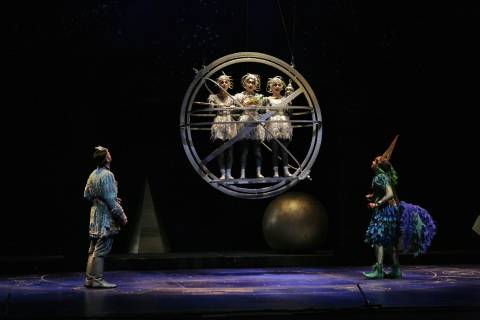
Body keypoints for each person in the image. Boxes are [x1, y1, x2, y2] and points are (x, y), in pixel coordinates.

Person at [364, 135, 436, 279]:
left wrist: (377, 203)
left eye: (374, 161)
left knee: (378, 238)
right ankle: (396, 269)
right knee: (390, 241)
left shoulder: (378, 177)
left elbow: (389, 194)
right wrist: (374, 196)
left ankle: (378, 270)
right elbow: (387, 192)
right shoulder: (385, 177)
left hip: (384, 211)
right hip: (392, 211)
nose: (371, 162)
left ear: (378, 165)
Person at [84, 146, 128, 288]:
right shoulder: (108, 175)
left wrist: (99, 199)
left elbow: (87, 195)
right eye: (108, 153)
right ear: (106, 158)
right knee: (101, 248)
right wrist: (122, 215)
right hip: (104, 216)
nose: (110, 154)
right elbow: (110, 200)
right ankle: (97, 279)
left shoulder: (93, 174)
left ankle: (90, 279)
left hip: (95, 214)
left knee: (93, 248)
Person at [234, 73, 266, 179]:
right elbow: (234, 108)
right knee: (244, 150)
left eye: (253, 82)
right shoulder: (240, 96)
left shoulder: (259, 96)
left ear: (256, 84)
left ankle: (258, 172)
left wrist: (258, 106)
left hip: (256, 122)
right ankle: (242, 173)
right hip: (244, 121)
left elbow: (262, 111)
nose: (251, 84)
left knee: (257, 150)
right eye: (249, 82)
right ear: (245, 83)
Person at [208, 73, 237, 180]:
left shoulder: (232, 97)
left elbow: (236, 112)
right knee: (220, 149)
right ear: (218, 84)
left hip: (229, 122)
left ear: (229, 84)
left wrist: (234, 108)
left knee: (230, 150)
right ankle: (222, 173)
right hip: (219, 121)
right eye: (221, 82)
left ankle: (229, 173)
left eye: (226, 82)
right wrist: (213, 105)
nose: (224, 84)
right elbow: (211, 111)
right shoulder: (213, 97)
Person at [265, 76, 293, 177]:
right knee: (275, 149)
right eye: (275, 85)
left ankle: (286, 171)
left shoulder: (286, 99)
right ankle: (276, 172)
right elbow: (266, 113)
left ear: (282, 87)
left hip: (284, 122)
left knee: (284, 149)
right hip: (273, 123)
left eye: (279, 85)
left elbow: (290, 113)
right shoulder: (267, 99)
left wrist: (289, 103)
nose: (277, 86)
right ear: (271, 87)